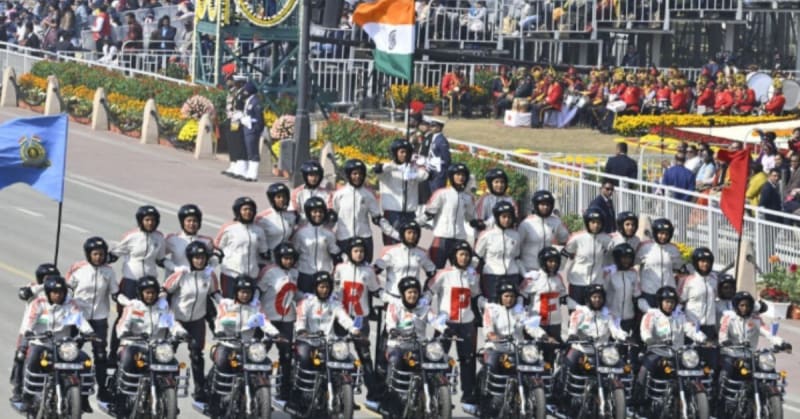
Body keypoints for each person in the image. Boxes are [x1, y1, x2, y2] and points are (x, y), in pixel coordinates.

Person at [20, 276, 96, 412]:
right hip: (41, 343)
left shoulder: (70, 304)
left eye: (61, 292)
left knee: (86, 360)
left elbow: (80, 320)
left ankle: (83, 398)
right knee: (32, 358)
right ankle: (28, 396)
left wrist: (89, 332)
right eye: (54, 292)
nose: (58, 295)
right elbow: (30, 320)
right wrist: (28, 331)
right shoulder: (39, 303)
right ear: (49, 293)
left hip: (64, 346)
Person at [425, 240, 481, 408]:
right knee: (437, 357)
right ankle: (436, 393)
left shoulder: (473, 275)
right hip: (446, 322)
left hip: (466, 322)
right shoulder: (443, 274)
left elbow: (477, 295)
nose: (464, 258)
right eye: (461, 254)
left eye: (467, 255)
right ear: (454, 256)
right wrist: (427, 311)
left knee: (468, 360)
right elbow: (429, 291)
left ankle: (468, 394)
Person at [162, 242, 221, 403]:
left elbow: (215, 294)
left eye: (202, 258)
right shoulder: (181, 275)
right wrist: (164, 314)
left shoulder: (210, 276)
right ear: (190, 259)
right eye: (196, 258)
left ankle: (200, 389)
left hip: (197, 321)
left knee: (197, 355)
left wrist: (226, 306)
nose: (200, 261)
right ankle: (165, 388)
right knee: (166, 354)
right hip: (176, 321)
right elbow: (163, 292)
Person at [65, 237, 120, 403]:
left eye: (102, 254)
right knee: (71, 354)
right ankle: (77, 393)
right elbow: (66, 290)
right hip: (78, 318)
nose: (99, 257)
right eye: (95, 254)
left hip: (99, 319)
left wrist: (132, 303)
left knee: (101, 355)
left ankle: (102, 390)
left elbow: (115, 293)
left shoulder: (109, 271)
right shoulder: (78, 269)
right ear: (88, 254)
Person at [108, 205, 166, 360]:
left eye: (153, 220)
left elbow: (161, 259)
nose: (150, 223)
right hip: (130, 282)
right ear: (141, 221)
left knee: (151, 315)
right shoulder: (132, 236)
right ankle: (113, 353)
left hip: (150, 283)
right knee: (124, 316)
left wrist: (179, 268)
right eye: (147, 220)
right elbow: (116, 253)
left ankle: (150, 352)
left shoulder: (159, 237)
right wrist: (103, 260)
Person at [292, 272, 359, 406]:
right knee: (304, 359)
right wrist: (301, 330)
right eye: (321, 287)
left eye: (327, 287)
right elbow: (300, 319)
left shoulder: (334, 303)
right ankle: (301, 393)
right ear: (315, 287)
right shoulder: (306, 302)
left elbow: (343, 317)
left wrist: (354, 329)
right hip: (308, 341)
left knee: (349, 360)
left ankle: (347, 394)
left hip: (329, 342)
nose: (324, 290)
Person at [635, 286, 706, 406]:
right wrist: (649, 339)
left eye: (672, 302)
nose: (670, 305)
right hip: (657, 351)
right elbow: (645, 330)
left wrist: (701, 338)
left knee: (696, 368)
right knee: (644, 370)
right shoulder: (652, 315)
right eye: (667, 301)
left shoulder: (680, 316)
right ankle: (638, 399)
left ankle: (695, 397)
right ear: (660, 302)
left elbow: (690, 328)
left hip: (677, 353)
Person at [333, 238, 382, 404]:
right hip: (342, 317)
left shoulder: (368, 271)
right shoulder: (340, 268)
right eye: (356, 251)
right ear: (349, 252)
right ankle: (343, 394)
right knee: (340, 355)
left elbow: (377, 291)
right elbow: (333, 290)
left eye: (362, 251)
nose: (359, 254)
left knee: (365, 356)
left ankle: (372, 394)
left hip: (361, 318)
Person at [11, 264, 61, 406]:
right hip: (29, 331)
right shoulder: (33, 288)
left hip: (51, 334)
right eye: (46, 278)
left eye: (53, 278)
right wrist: (45, 286)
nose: (50, 281)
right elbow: (24, 293)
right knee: (21, 358)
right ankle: (18, 390)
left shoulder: (58, 292)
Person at [256, 242, 300, 401]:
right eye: (285, 258)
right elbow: (257, 292)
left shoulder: (295, 273)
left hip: (287, 319)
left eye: (291, 259)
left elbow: (296, 294)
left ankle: (284, 390)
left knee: (286, 356)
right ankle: (257, 388)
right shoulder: (269, 271)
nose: (288, 261)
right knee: (259, 354)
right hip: (269, 319)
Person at [561, 285, 628, 384]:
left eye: (600, 297)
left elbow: (616, 330)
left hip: (602, 351)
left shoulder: (607, 314)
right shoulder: (580, 312)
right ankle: (561, 391)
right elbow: (573, 326)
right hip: (581, 349)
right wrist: (572, 335)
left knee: (623, 367)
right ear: (588, 298)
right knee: (568, 364)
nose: (597, 300)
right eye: (594, 297)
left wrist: (625, 337)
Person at [373, 138, 429, 245]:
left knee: (410, 244)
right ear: (395, 153)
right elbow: (379, 170)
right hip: (393, 213)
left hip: (409, 213)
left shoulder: (413, 169)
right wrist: (397, 167)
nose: (405, 155)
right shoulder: (389, 169)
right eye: (402, 152)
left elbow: (425, 175)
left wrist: (412, 174)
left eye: (407, 152)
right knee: (392, 244)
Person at [424, 163, 477, 269]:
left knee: (461, 271)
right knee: (435, 271)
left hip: (460, 238)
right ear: (451, 176)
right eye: (457, 174)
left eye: (463, 175)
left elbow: (470, 218)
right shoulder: (441, 193)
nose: (461, 177)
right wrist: (415, 223)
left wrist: (478, 223)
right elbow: (428, 213)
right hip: (442, 237)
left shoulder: (468, 198)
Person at [214, 197, 269, 298]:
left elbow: (263, 251)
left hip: (251, 275)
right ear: (238, 211)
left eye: (251, 210)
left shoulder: (258, 230)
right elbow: (217, 247)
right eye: (245, 209)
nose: (248, 212)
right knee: (230, 305)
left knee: (249, 307)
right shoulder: (228, 228)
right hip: (231, 274)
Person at [331, 159, 384, 262]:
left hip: (364, 237)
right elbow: (333, 218)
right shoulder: (339, 195)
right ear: (348, 175)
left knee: (363, 271)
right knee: (344, 271)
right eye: (354, 173)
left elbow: (377, 217)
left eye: (360, 174)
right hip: (344, 237)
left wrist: (394, 233)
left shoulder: (368, 195)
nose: (358, 176)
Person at [562, 209, 614, 308]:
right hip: (577, 283)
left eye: (598, 222)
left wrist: (611, 270)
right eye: (593, 222)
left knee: (595, 315)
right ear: (587, 222)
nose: (596, 225)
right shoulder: (577, 238)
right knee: (576, 316)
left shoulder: (606, 239)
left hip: (596, 282)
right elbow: (564, 256)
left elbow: (615, 252)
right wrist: (555, 274)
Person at [292, 197, 341, 294]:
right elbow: (294, 254)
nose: (318, 214)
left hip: (324, 273)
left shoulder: (329, 233)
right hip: (305, 274)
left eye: (320, 212)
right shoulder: (300, 233)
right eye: (314, 212)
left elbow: (335, 253)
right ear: (308, 213)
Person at [475, 201, 523, 301]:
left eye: (509, 217)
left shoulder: (516, 236)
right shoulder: (486, 235)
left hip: (512, 275)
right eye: (504, 217)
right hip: (492, 276)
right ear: (497, 217)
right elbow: (477, 257)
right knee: (493, 305)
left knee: (512, 305)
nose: (507, 220)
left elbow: (517, 257)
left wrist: (525, 274)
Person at [519, 247, 567, 346]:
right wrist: (524, 316)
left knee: (553, 353)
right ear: (543, 261)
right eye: (550, 261)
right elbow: (521, 297)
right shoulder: (533, 278)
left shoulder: (558, 278)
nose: (553, 264)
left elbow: (563, 296)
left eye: (555, 261)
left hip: (555, 322)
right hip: (537, 321)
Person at [635, 218, 685, 309]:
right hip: (649, 291)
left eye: (666, 234)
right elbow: (634, 264)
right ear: (655, 233)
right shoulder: (645, 247)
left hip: (667, 292)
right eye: (661, 233)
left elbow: (678, 267)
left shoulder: (674, 249)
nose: (664, 236)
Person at [518, 190, 570, 272]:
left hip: (548, 269)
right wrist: (523, 271)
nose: (545, 207)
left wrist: (561, 257)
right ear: (536, 205)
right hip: (529, 268)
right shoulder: (526, 223)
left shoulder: (556, 222)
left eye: (548, 204)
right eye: (542, 204)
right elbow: (517, 248)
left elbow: (566, 240)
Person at [164, 204, 217, 276]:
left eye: (195, 221)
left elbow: (213, 262)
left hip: (197, 283)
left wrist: (207, 273)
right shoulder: (172, 239)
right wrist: (174, 268)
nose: (192, 224)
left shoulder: (207, 241)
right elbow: (159, 258)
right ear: (182, 222)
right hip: (176, 281)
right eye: (188, 221)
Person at [603, 243, 642, 334]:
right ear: (617, 258)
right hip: (613, 316)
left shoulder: (633, 274)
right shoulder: (610, 273)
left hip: (628, 316)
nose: (626, 261)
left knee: (624, 344)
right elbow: (602, 292)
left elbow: (636, 294)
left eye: (629, 258)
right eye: (623, 257)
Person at [255, 183, 298, 255]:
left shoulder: (292, 216)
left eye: (284, 197)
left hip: (285, 258)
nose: (282, 199)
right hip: (266, 258)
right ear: (272, 199)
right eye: (278, 197)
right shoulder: (262, 218)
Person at [221, 75, 247, 178]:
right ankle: (233, 164)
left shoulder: (243, 93)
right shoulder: (234, 92)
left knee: (238, 143)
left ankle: (239, 167)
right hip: (231, 119)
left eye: (235, 81)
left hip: (238, 121)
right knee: (232, 142)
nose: (233, 83)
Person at [239, 81, 264, 182]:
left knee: (253, 151)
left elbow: (259, 118)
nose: (244, 92)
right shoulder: (249, 100)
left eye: (245, 90)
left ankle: (253, 174)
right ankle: (249, 172)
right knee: (249, 151)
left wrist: (257, 128)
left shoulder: (255, 102)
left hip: (252, 128)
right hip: (247, 127)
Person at [422, 119, 451, 192]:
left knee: (438, 193)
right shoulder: (434, 138)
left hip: (439, 171)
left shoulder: (441, 140)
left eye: (433, 126)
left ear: (439, 128)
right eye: (431, 126)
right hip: (432, 170)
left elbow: (446, 158)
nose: (431, 128)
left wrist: (443, 171)